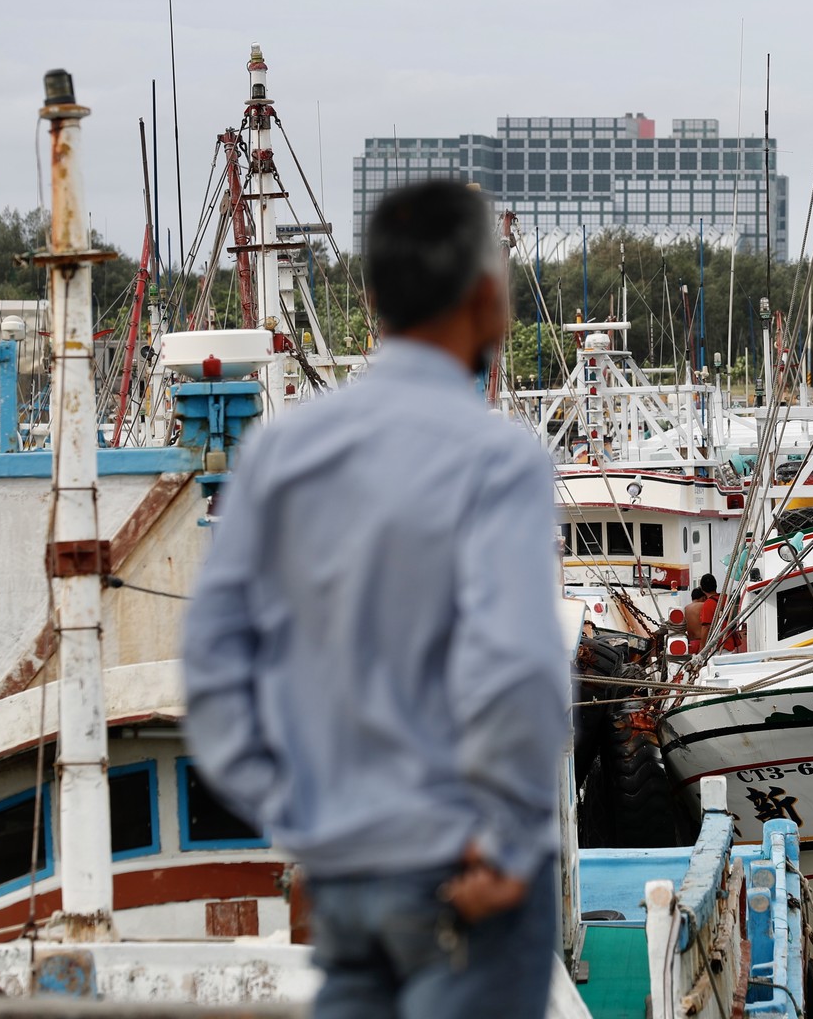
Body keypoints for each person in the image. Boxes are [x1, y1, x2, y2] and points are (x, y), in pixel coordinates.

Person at [182, 180, 569, 1019]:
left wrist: (296, 810)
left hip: (341, 877)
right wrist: (506, 841)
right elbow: (518, 668)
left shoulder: (281, 450)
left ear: (372, 299)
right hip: (462, 880)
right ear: (486, 295)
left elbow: (211, 663)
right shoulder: (499, 460)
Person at [684, 585, 708, 652]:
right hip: (702, 643)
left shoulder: (685, 608)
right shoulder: (703, 606)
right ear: (703, 598)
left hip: (690, 644)